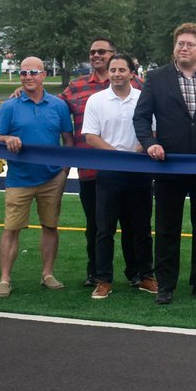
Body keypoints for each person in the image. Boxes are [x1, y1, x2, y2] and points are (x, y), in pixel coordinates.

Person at [133, 23, 196, 306]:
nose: (184, 48)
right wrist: (149, 143)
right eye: (180, 44)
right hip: (168, 166)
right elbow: (141, 118)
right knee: (166, 228)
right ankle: (166, 285)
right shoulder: (156, 77)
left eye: (190, 44)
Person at [58, 36, 143, 289]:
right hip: (92, 170)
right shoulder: (76, 86)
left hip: (132, 170)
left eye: (102, 52)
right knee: (96, 226)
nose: (96, 56)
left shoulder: (137, 85)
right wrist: (23, 90)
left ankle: (136, 272)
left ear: (114, 55)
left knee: (132, 226)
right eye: (92, 51)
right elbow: (53, 104)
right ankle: (96, 273)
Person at [0, 57, 74, 298]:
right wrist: (6, 139)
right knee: (11, 228)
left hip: (52, 177)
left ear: (44, 75)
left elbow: (68, 139)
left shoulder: (58, 105)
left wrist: (64, 170)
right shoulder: (10, 106)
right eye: (23, 73)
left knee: (50, 226)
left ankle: (47, 274)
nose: (27, 77)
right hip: (20, 177)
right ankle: (5, 278)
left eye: (33, 72)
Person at [81, 54, 157, 299]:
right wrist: (117, 157)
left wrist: (135, 153)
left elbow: (153, 131)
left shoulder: (144, 98)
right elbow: (91, 136)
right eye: (113, 69)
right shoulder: (97, 100)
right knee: (105, 230)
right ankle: (103, 280)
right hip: (109, 172)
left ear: (132, 73)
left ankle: (145, 276)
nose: (116, 74)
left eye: (121, 70)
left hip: (139, 170)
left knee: (141, 228)